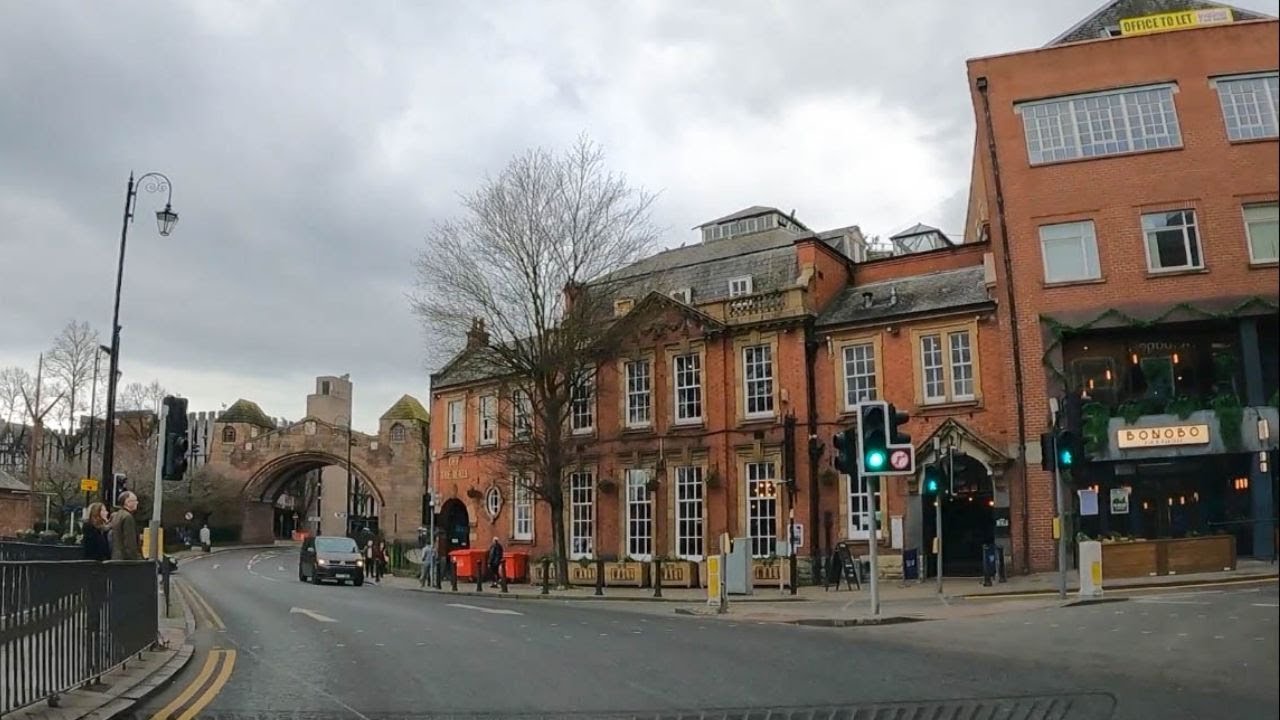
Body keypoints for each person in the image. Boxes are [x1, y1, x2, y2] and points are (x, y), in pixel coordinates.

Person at [109, 492, 142, 561]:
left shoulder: (117, 515)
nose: (137, 502)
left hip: (116, 557)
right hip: (126, 560)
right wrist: (137, 559)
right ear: (127, 502)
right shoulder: (128, 517)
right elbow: (130, 542)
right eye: (135, 500)